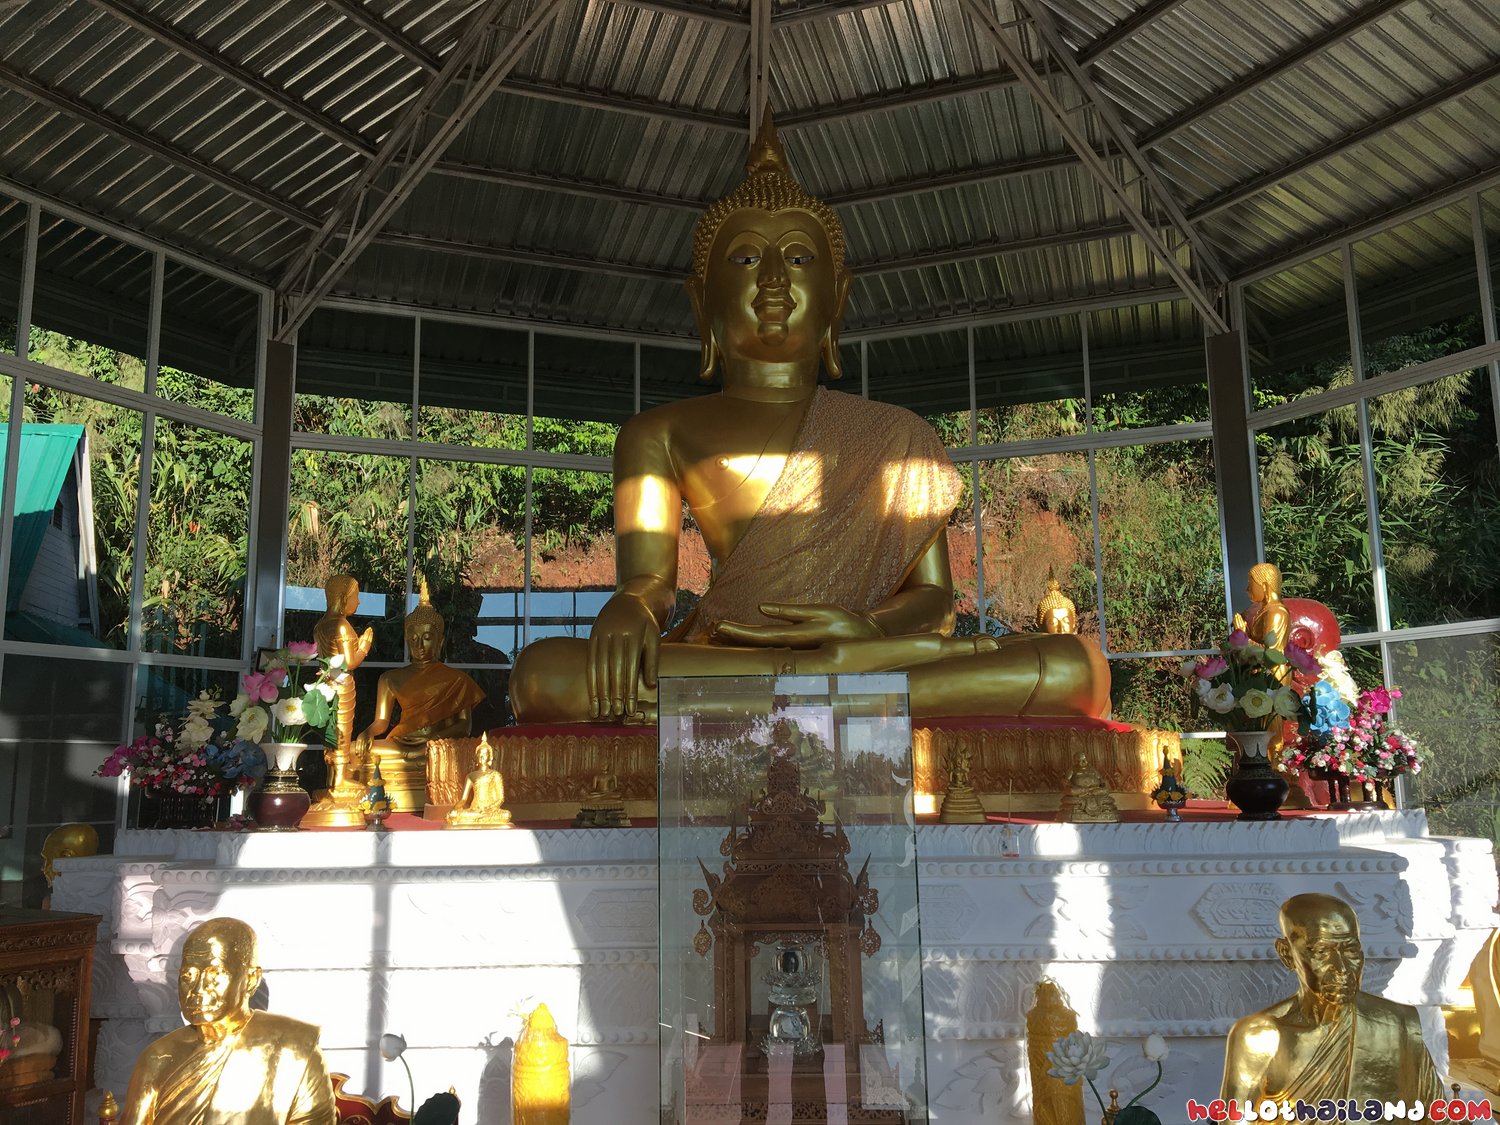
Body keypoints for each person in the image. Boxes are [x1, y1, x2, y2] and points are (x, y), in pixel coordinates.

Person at [509, 109, 1108, 725]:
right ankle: (827, 693)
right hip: (730, 652)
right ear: (701, 299)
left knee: (1072, 665)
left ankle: (809, 688)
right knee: (545, 672)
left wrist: (863, 628)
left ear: (837, 297)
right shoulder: (657, 434)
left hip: (857, 653)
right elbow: (652, 581)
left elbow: (935, 602)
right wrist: (633, 605)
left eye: (797, 259)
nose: (772, 280)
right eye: (744, 261)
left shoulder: (899, 436)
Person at [1221, 893, 1441, 1106]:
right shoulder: (1261, 1035)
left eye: (1351, 950)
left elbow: (1437, 1115)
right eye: (1321, 952)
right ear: (1287, 953)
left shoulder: (1397, 1024)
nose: (1342, 968)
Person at [120, 917, 335, 1124]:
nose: (198, 989)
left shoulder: (293, 1049)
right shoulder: (157, 1057)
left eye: (215, 974)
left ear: (251, 979)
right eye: (188, 976)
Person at [312, 574, 373, 795]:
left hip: (325, 683)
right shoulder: (342, 626)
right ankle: (339, 780)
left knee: (330, 730)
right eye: (355, 597)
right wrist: (365, 645)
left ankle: (332, 780)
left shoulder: (321, 625)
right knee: (342, 729)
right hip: (342, 684)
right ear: (342, 598)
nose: (358, 602)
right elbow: (349, 662)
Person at [445, 733, 512, 828]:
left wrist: (489, 808)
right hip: (474, 810)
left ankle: (481, 818)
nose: (482, 756)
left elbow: (500, 799)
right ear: (476, 757)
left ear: (490, 757)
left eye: (485, 754)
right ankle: (477, 818)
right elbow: (464, 799)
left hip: (490, 810)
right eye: (480, 754)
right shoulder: (471, 776)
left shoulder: (495, 775)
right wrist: (454, 809)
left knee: (506, 815)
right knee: (454, 815)